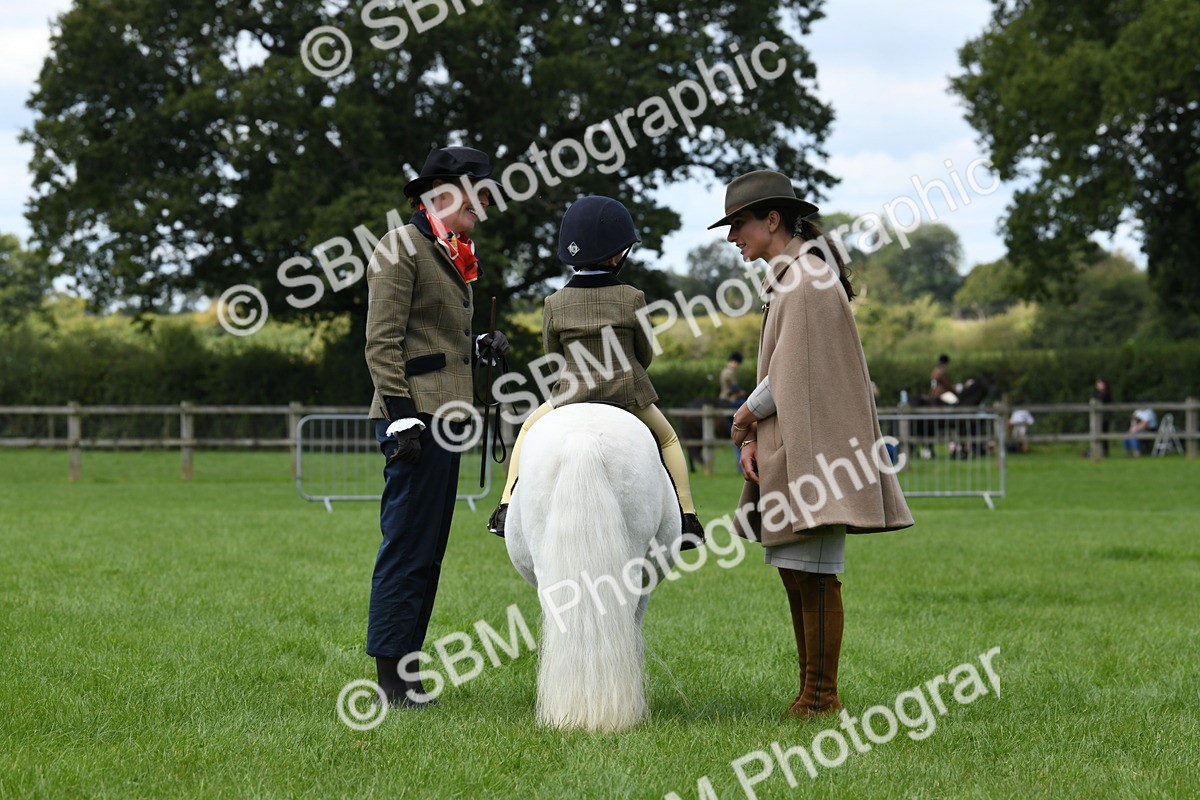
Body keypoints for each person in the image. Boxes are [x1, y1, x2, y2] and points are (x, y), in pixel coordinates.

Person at [711, 170, 913, 718]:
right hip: (792, 445)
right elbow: (786, 372)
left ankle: (822, 697)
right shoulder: (792, 277)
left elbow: (789, 374)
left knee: (815, 573)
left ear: (773, 219)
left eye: (739, 223)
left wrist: (743, 418)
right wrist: (753, 435)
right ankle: (811, 693)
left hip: (817, 451)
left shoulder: (806, 279)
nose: (732, 236)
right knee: (796, 569)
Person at [364, 145, 510, 707]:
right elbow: (382, 342)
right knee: (407, 546)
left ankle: (407, 671)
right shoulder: (400, 246)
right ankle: (390, 681)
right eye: (480, 192)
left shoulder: (449, 249)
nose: (485, 204)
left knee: (428, 551)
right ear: (444, 193)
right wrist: (401, 418)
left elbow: (433, 338)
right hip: (415, 418)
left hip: (445, 416)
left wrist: (479, 346)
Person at [487, 196, 703, 547]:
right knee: (668, 439)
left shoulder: (554, 302)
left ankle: (506, 506)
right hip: (626, 394)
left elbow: (554, 358)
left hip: (570, 395)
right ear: (617, 255)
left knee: (527, 430)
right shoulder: (632, 297)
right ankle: (688, 517)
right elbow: (645, 353)